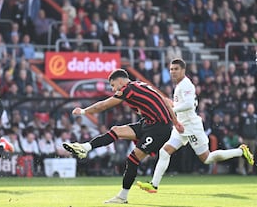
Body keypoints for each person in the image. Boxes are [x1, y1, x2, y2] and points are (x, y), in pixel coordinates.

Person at [63, 69, 183, 204]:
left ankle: (122, 196)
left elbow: (104, 105)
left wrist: (84, 111)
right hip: (148, 123)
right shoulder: (141, 84)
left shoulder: (127, 89)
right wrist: (176, 122)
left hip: (158, 129)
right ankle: (85, 147)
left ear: (120, 81)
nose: (114, 89)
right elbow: (166, 101)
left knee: (133, 159)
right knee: (116, 131)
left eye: (113, 86)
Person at [137, 58, 254, 193]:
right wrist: (170, 105)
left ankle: (240, 151)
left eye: (176, 69)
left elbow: (188, 105)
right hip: (181, 126)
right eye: (171, 69)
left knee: (207, 158)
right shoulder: (179, 85)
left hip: (191, 127)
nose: (173, 72)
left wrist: (170, 110)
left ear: (183, 70)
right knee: (164, 151)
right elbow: (184, 104)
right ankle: (154, 185)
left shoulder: (186, 84)